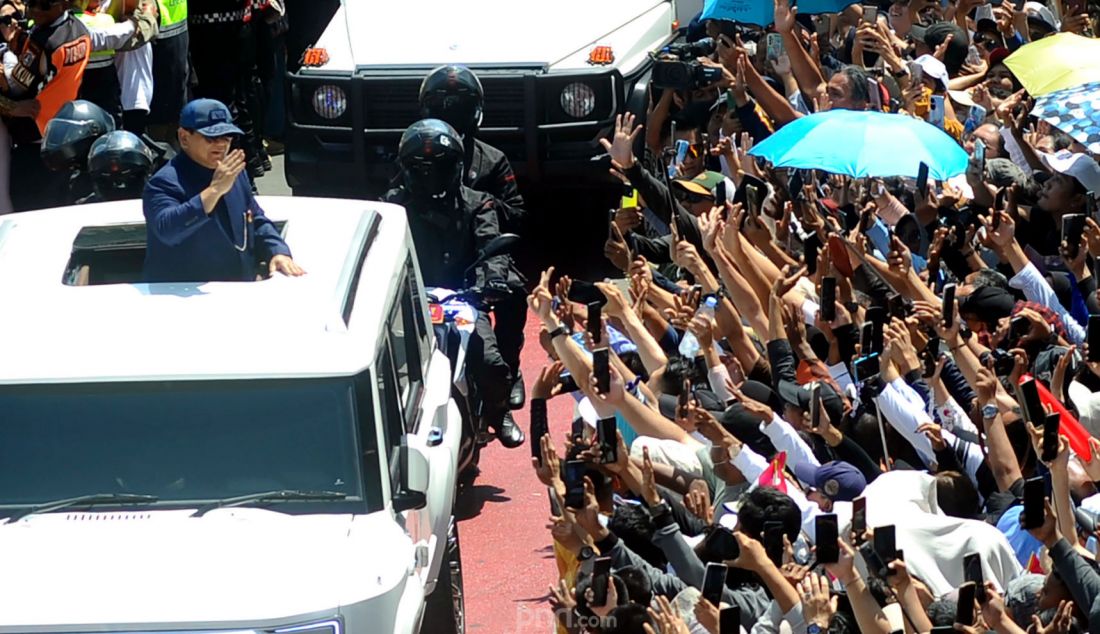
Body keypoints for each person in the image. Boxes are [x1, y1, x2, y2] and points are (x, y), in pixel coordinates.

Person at [383, 118, 525, 449]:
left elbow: (492, 248)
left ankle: (498, 412)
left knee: (490, 361)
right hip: (409, 301)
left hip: (463, 300)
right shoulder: (392, 204)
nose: (430, 174)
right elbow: (379, 249)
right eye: (421, 168)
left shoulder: (478, 203)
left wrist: (489, 282)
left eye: (440, 166)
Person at [418, 63, 529, 410]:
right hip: (434, 249)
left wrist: (475, 205)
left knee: (514, 292)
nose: (450, 113)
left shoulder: (492, 160)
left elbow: (517, 213)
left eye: (459, 105)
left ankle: (510, 369)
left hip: (480, 252)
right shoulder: (416, 153)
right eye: (442, 105)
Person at [142, 98, 304, 282]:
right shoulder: (164, 183)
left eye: (227, 137)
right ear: (184, 138)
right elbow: (168, 230)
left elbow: (255, 220)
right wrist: (214, 191)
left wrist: (277, 251)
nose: (221, 145)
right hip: (180, 297)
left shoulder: (234, 174)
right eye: (211, 138)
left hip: (236, 289)